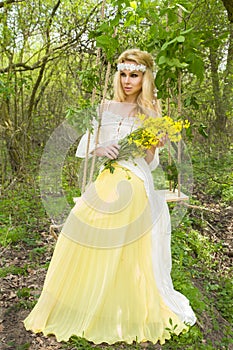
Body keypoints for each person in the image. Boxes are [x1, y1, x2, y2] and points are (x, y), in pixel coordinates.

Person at [24, 49, 196, 345]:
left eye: (135, 75)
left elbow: (150, 162)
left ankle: (122, 306)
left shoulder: (151, 111)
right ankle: (84, 301)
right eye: (124, 74)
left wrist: (155, 144)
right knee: (83, 227)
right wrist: (100, 149)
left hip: (136, 179)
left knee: (126, 237)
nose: (128, 81)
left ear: (145, 78)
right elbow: (84, 146)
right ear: (118, 75)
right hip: (108, 176)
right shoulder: (105, 107)